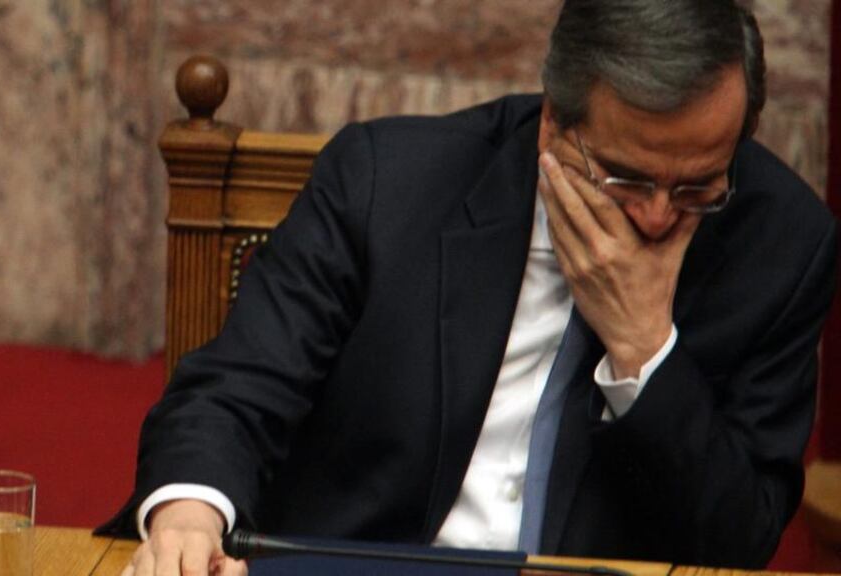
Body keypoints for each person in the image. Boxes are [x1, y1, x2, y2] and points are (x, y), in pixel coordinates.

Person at [101, 1, 838, 574]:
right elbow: (234, 391)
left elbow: (738, 541)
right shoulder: (388, 183)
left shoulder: (781, 246)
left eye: (697, 186)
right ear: (554, 124)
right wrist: (192, 512)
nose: (654, 215)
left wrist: (645, 350)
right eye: (626, 178)